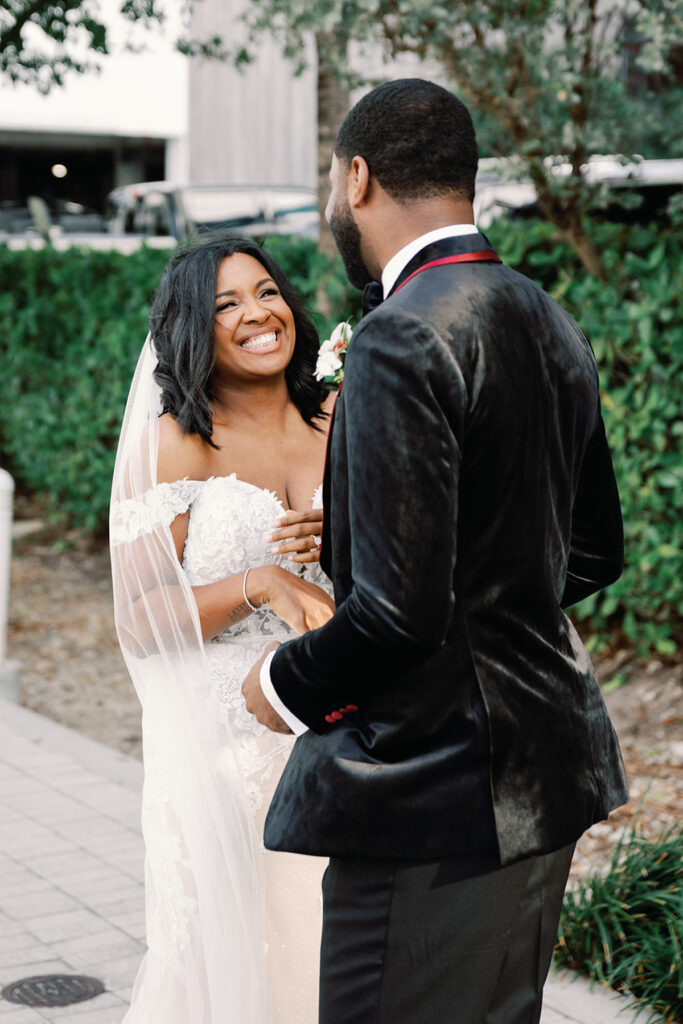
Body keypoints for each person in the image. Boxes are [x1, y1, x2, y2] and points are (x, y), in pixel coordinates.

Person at [242, 79, 629, 1024]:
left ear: (357, 179)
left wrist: (280, 684)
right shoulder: (547, 316)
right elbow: (589, 551)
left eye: (337, 186)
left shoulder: (399, 335)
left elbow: (395, 615)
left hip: (435, 799)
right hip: (544, 774)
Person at [109, 235, 336, 1024]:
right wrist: (258, 582)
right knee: (235, 959)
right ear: (191, 330)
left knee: (328, 945)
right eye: (226, 304)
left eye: (266, 292)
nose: (256, 314)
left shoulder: (339, 416)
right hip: (221, 746)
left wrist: (334, 542)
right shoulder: (176, 443)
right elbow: (139, 620)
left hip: (334, 721)